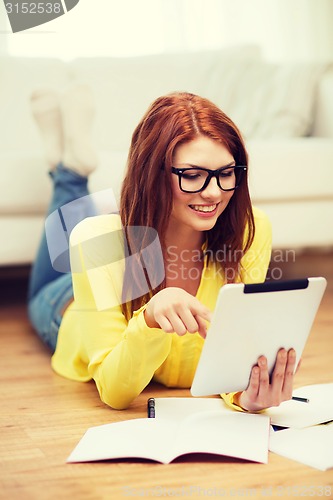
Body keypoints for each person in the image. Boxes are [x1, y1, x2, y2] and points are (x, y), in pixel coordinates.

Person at [28, 86, 297, 411]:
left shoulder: (250, 229)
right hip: (65, 306)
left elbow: (232, 347)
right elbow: (114, 391)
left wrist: (244, 395)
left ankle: (69, 168)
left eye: (226, 173)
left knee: (91, 231)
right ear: (152, 174)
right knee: (64, 251)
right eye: (193, 175)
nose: (214, 193)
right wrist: (151, 318)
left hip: (115, 252)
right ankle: (70, 173)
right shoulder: (95, 239)